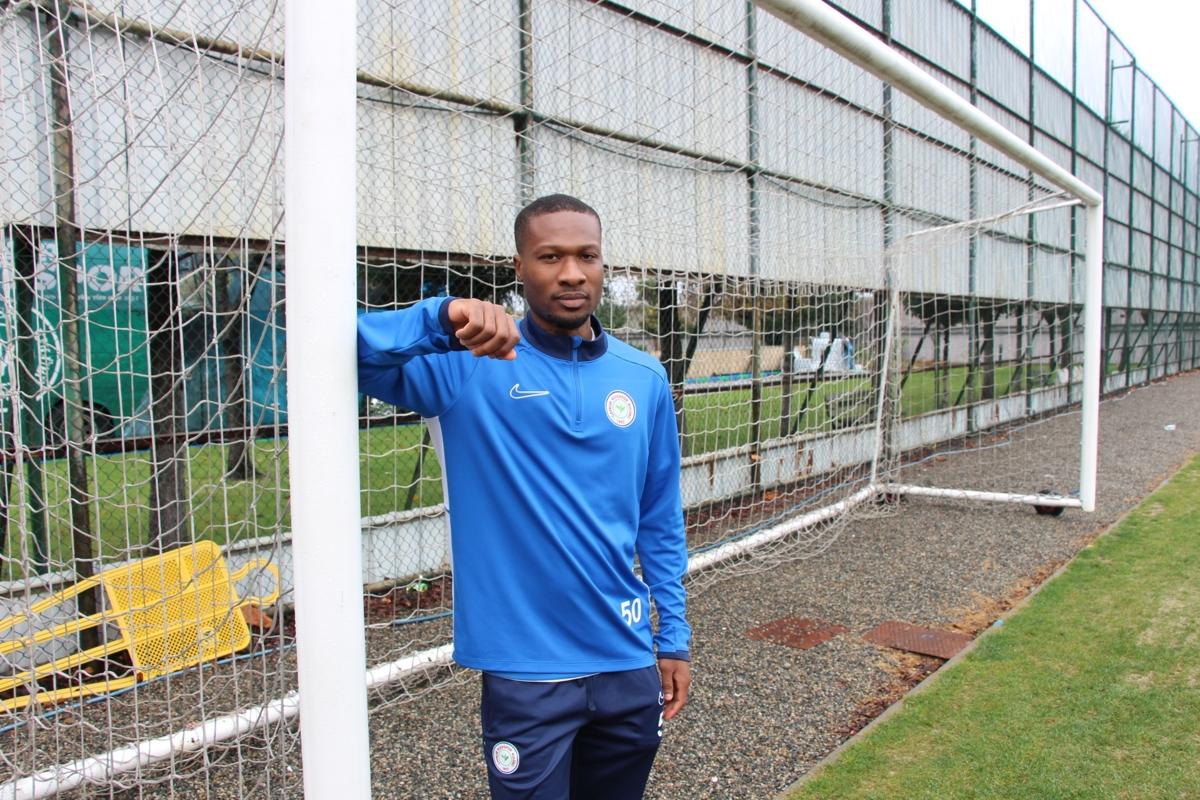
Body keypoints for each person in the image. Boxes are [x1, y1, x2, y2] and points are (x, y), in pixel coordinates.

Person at [357, 194, 691, 799]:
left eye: (587, 255)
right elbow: (347, 348)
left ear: (603, 264)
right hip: (526, 673)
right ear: (519, 267)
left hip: (627, 661)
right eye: (550, 256)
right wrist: (443, 315)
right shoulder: (465, 365)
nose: (572, 273)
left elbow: (660, 518)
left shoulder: (644, 377)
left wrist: (673, 637)